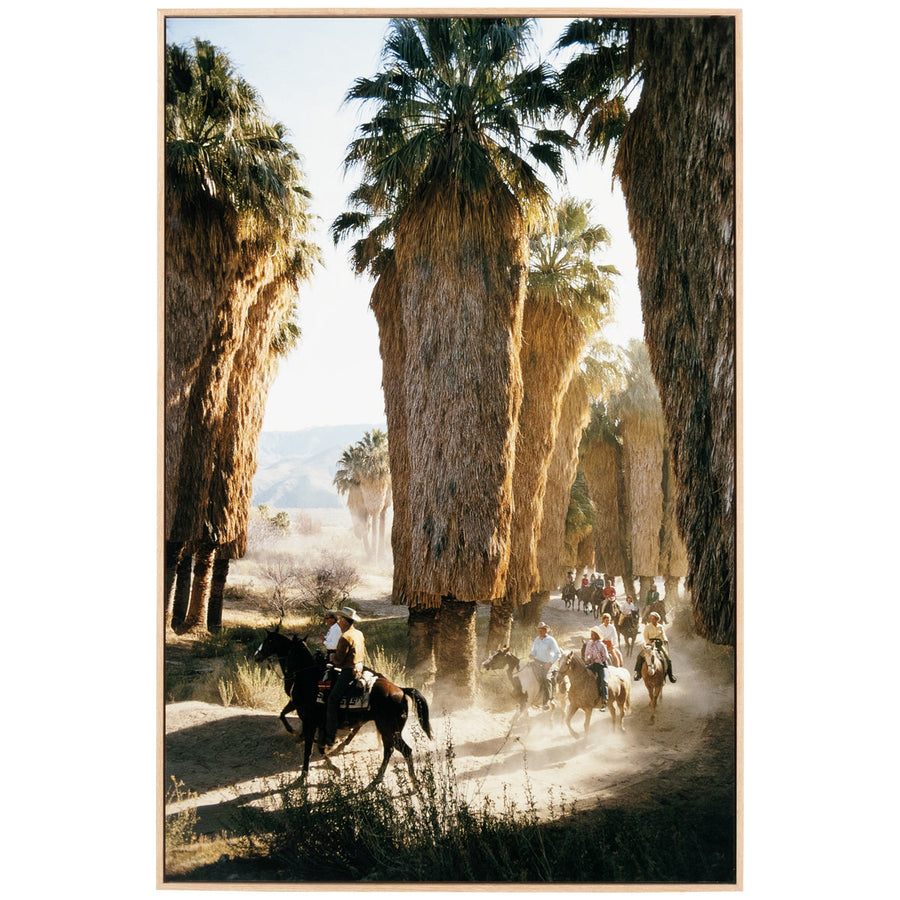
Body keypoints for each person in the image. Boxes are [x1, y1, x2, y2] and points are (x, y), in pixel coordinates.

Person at [322, 606, 366, 748]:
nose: (339, 622)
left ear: (345, 622)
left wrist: (332, 657)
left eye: (340, 619)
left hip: (348, 671)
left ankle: (330, 736)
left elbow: (339, 660)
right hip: (359, 668)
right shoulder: (358, 633)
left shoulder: (345, 637)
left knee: (332, 700)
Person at [634, 610, 677, 683]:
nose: (653, 620)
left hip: (659, 644)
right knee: (640, 656)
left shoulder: (660, 626)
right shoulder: (647, 627)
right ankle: (638, 673)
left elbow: (663, 635)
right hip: (650, 645)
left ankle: (670, 675)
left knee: (667, 659)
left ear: (657, 619)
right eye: (651, 619)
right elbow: (645, 637)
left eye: (654, 619)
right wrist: (648, 642)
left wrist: (665, 639)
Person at [529, 622, 561, 708]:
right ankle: (528, 698)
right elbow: (534, 651)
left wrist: (550, 662)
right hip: (537, 662)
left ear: (545, 630)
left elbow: (557, 653)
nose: (540, 632)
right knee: (526, 672)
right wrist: (531, 654)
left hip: (547, 664)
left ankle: (547, 701)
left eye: (542, 630)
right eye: (538, 630)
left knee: (547, 679)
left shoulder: (551, 640)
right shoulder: (537, 640)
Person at [583, 627, 609, 711]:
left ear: (597, 635)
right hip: (593, 664)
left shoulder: (601, 645)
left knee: (603, 681)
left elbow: (606, 657)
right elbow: (586, 654)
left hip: (601, 665)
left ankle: (604, 701)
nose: (592, 635)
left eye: (594, 634)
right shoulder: (589, 644)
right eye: (591, 634)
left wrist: (598, 659)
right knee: (582, 674)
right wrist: (588, 659)